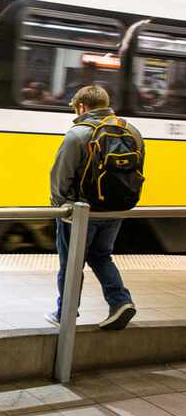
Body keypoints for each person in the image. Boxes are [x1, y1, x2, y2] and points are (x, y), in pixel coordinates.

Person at [46, 85, 142, 330]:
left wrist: (60, 208)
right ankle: (120, 302)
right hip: (115, 211)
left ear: (81, 107)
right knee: (101, 255)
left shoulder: (77, 134)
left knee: (71, 265)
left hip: (80, 212)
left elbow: (60, 177)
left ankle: (64, 313)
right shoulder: (132, 131)